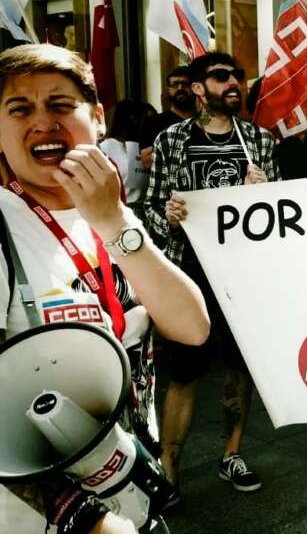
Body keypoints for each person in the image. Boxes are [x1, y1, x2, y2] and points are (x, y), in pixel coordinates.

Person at [0, 43, 209, 534]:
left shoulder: (108, 212)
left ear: (96, 119)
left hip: (132, 492)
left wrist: (115, 222)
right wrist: (89, 521)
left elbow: (192, 327)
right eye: (20, 109)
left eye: (59, 105)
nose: (43, 123)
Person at [144, 52, 278, 503]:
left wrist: (265, 195)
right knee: (184, 372)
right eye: (222, 77)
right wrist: (170, 216)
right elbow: (150, 207)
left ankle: (232, 453)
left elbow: (279, 214)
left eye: (237, 76)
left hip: (241, 273)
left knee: (240, 369)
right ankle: (169, 469)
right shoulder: (172, 140)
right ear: (199, 88)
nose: (234, 83)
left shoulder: (259, 140)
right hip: (190, 271)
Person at [99, 100, 150, 222]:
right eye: (146, 120)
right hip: (122, 210)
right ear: (132, 120)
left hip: (145, 210)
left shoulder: (143, 148)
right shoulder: (105, 148)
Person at [139, 66, 194, 170]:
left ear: (194, 87)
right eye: (174, 84)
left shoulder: (202, 122)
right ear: (168, 89)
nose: (180, 88)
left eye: (185, 84)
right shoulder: (153, 122)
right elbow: (146, 162)